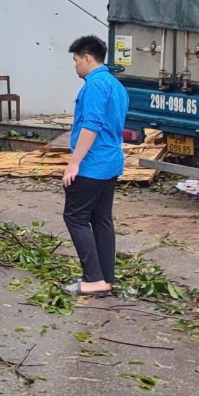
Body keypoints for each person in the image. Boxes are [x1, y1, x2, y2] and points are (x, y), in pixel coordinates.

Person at [61, 35, 128, 297]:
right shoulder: (116, 85)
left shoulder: (94, 86)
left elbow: (91, 125)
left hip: (92, 164)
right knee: (101, 218)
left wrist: (74, 163)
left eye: (76, 60)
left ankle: (93, 277)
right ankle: (105, 278)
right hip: (111, 163)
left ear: (88, 58)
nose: (75, 66)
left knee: (75, 217)